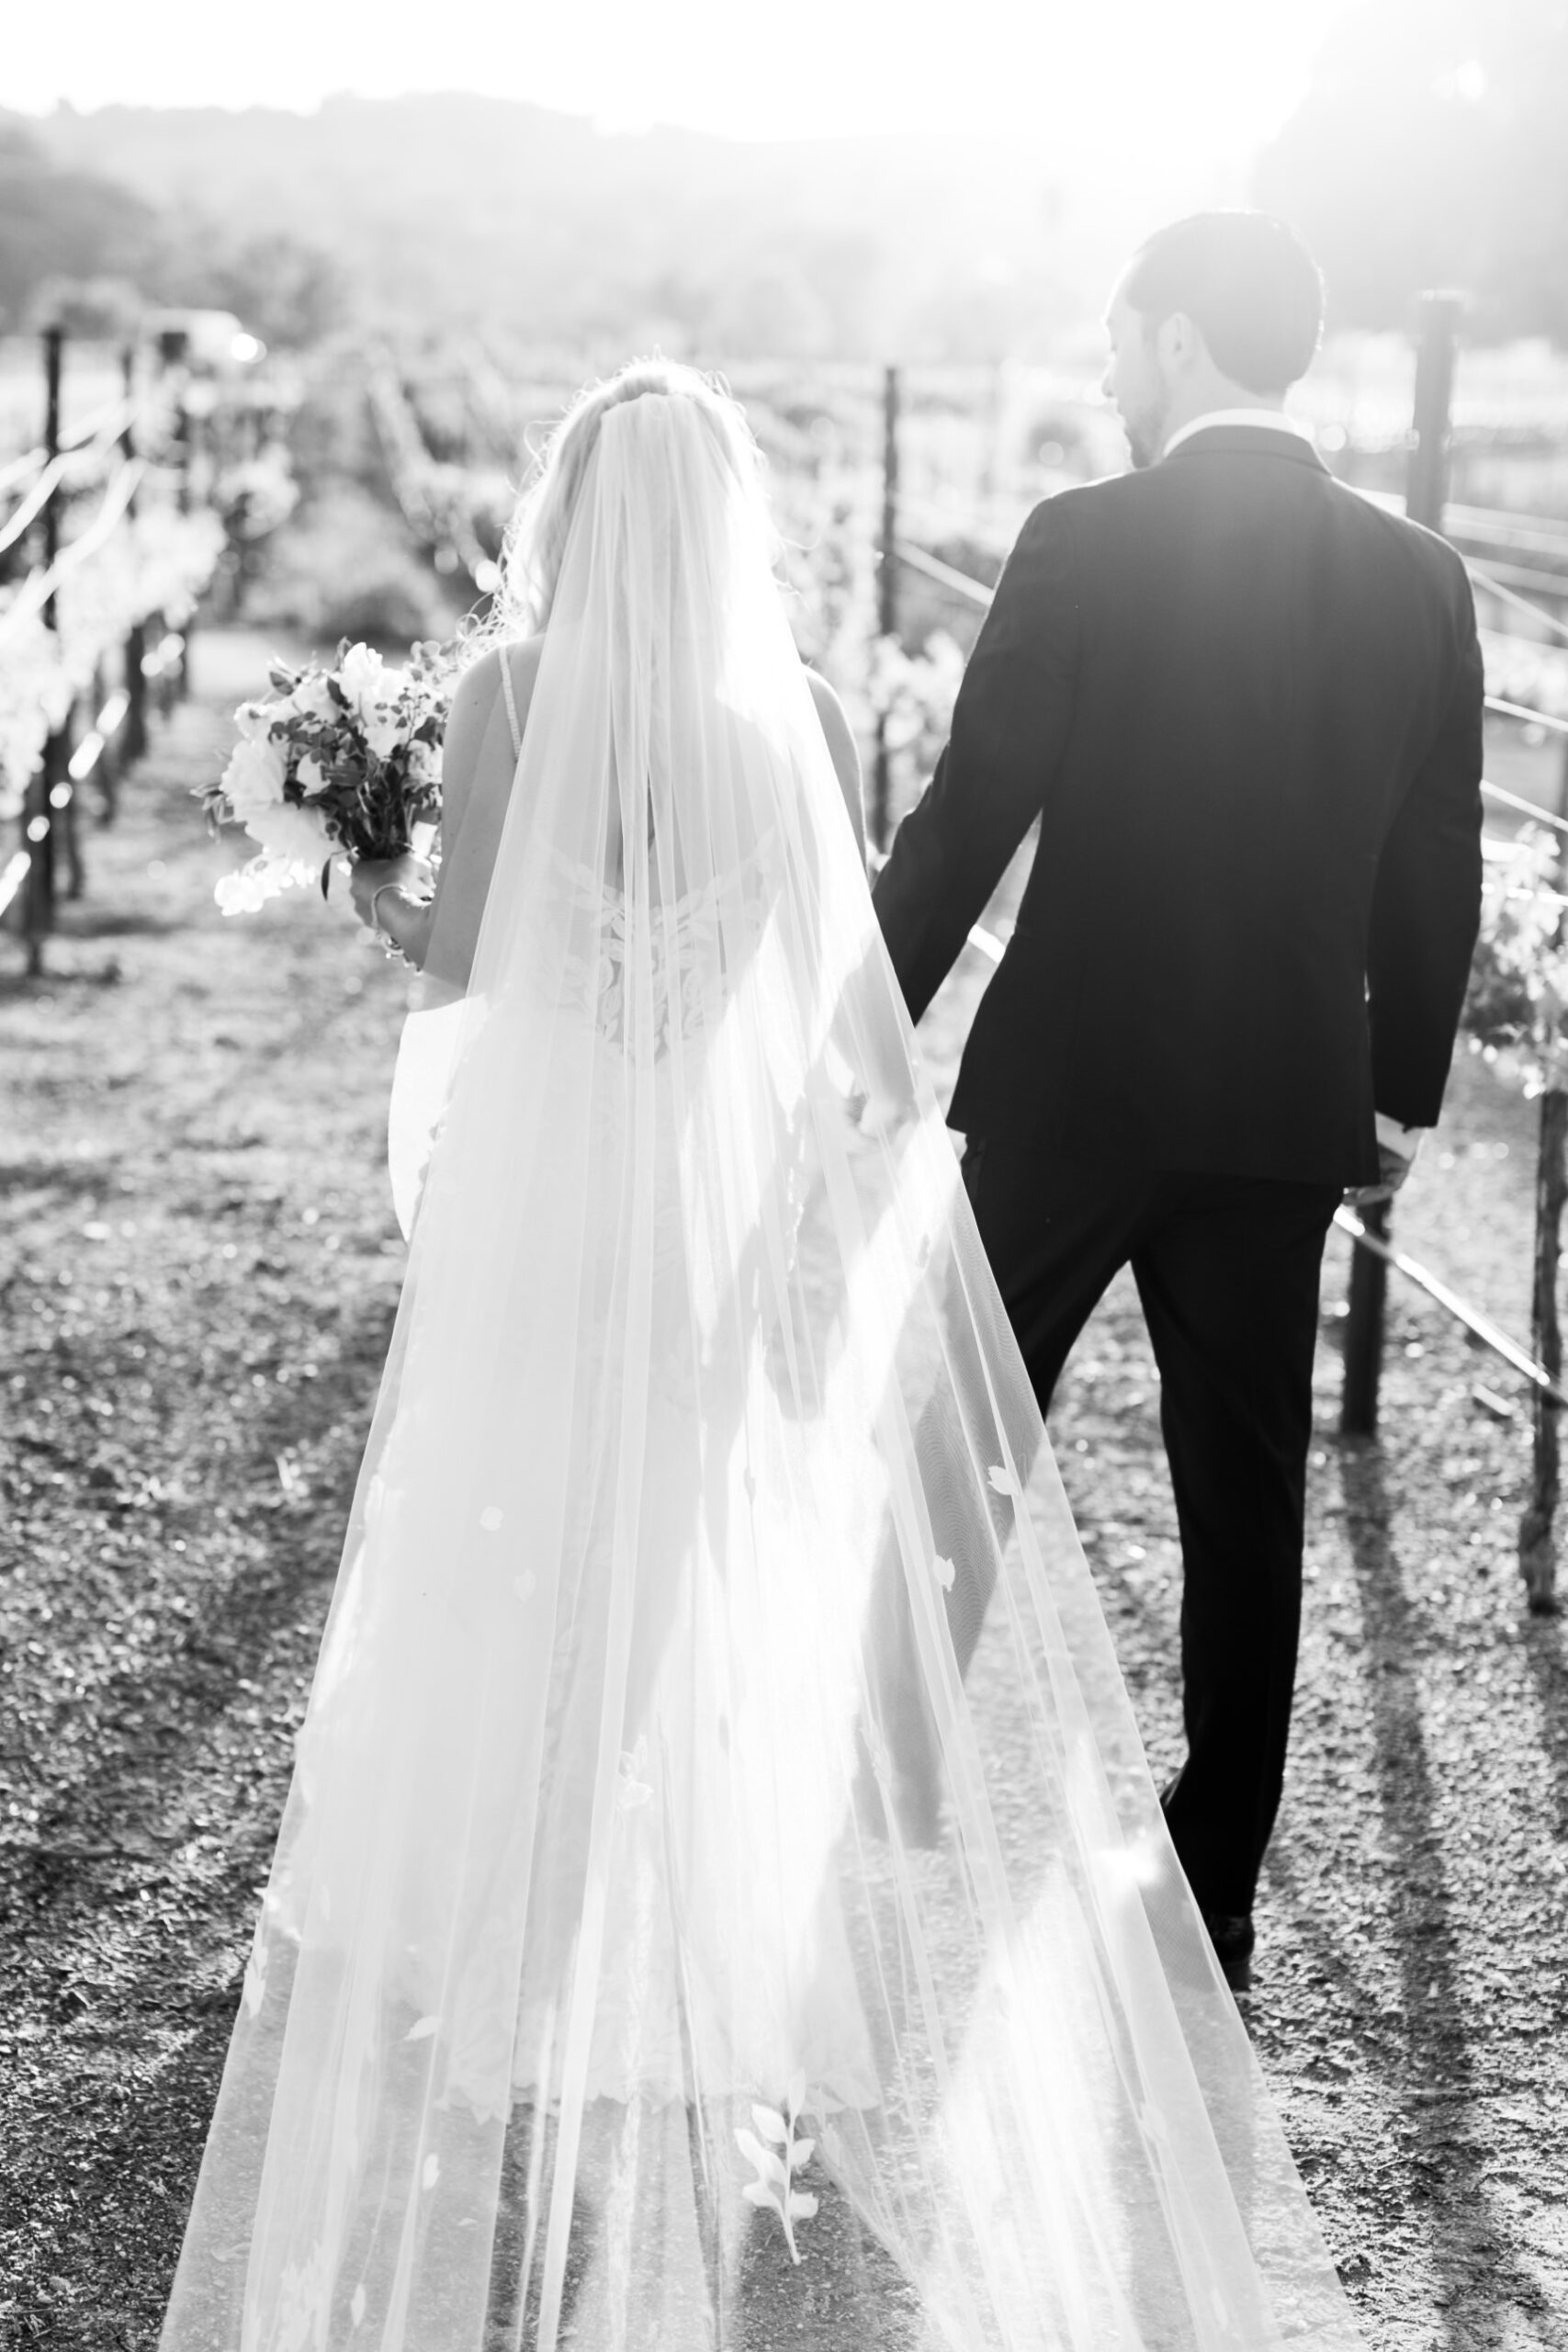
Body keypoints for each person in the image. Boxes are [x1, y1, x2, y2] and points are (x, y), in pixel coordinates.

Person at [160, 359, 1361, 2351]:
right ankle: (670, 1941)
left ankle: (484, 1934)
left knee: (506, 1528)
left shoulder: (508, 697)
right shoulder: (795, 718)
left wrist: (355, 870)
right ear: (729, 524)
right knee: (685, 1549)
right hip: (701, 1206)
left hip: (546, 1198)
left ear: (567, 508)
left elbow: (460, 958)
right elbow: (827, 980)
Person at [872, 212, 1484, 1995]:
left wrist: (857, 1024)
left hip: (1071, 1079)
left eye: (1115, 335)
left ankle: (877, 1803)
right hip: (1275, 1101)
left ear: (1179, 342)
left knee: (962, 1442)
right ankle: (1207, 1882)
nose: (1100, 369)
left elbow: (972, 803)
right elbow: (1429, 854)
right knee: (1243, 1495)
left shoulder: (1081, 537)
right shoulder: (1413, 574)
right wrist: (1389, 1091)